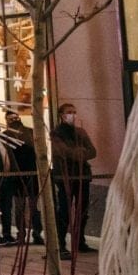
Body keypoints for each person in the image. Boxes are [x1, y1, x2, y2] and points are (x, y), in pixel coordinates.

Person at [51, 102, 97, 256]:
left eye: (74, 111)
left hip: (82, 176)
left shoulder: (80, 132)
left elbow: (92, 151)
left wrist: (78, 152)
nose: (72, 114)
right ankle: (61, 243)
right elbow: (63, 152)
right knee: (64, 210)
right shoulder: (56, 133)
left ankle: (80, 241)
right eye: (69, 112)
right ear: (62, 115)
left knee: (82, 210)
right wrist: (80, 152)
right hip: (65, 176)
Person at [5, 110, 44, 245]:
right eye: (10, 119)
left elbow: (36, 149)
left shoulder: (30, 132)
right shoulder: (5, 135)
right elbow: (8, 156)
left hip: (31, 173)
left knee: (34, 206)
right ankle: (21, 234)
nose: (14, 120)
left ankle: (37, 233)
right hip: (16, 176)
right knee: (19, 206)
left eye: (16, 118)